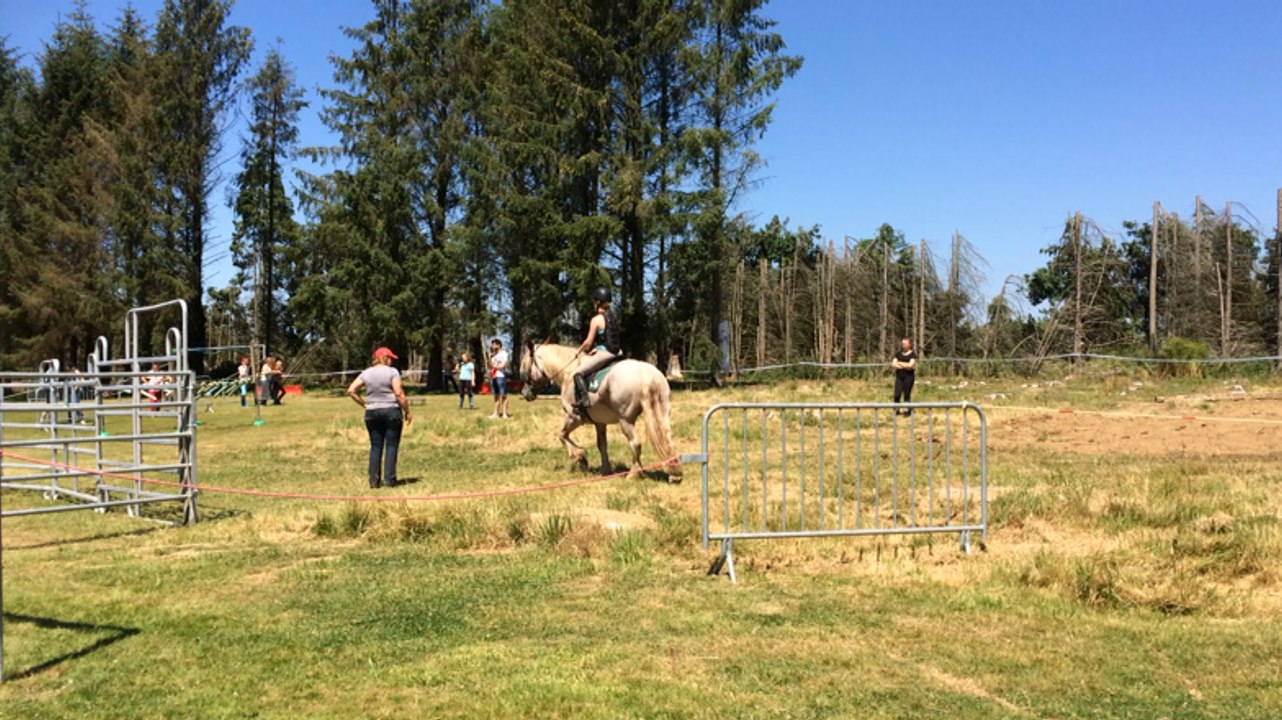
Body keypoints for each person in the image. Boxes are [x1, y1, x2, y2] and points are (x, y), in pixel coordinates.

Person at [347, 347, 412, 489]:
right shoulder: (392, 372)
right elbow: (399, 393)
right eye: (390, 358)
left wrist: (365, 404)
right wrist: (407, 410)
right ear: (384, 358)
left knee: (375, 446)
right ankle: (389, 480)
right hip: (391, 411)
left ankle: (374, 481)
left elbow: (351, 390)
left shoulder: (366, 373)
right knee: (391, 445)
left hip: (372, 413)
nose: (391, 361)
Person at [571, 286, 618, 411]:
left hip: (606, 353)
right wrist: (598, 348)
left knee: (577, 373)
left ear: (598, 302)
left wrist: (579, 350)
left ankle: (584, 399)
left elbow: (588, 342)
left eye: (594, 301)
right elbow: (609, 337)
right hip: (617, 352)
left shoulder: (596, 319)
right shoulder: (614, 318)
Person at [891, 337, 918, 416]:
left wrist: (900, 363)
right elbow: (893, 364)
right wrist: (905, 365)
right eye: (902, 343)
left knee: (906, 393)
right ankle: (896, 409)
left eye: (905, 343)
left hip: (909, 377)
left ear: (909, 344)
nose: (903, 345)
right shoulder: (898, 353)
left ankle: (907, 410)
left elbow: (911, 365)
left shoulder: (913, 354)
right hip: (899, 376)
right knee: (897, 393)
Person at [489, 338, 510, 419]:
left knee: (503, 395)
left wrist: (495, 367)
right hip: (494, 376)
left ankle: (505, 413)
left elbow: (503, 365)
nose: (492, 346)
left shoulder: (504, 353)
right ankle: (495, 413)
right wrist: (489, 358)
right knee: (496, 396)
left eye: (493, 344)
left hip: (501, 376)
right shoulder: (494, 355)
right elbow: (491, 365)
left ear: (498, 345)